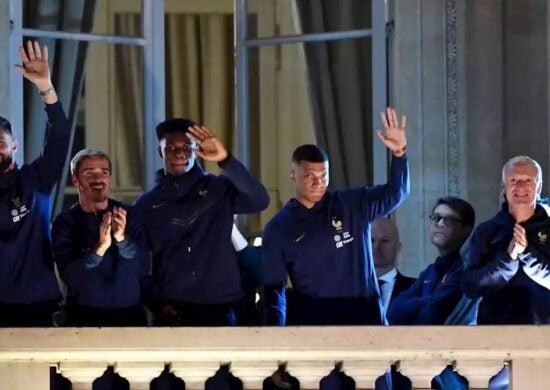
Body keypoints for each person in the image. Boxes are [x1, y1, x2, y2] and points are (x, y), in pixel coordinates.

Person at [263, 108, 409, 326]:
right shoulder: (279, 227)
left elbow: (397, 192)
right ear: (293, 175)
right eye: (309, 176)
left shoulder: (352, 203)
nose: (317, 182)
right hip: (315, 318)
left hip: (364, 314)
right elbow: (274, 289)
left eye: (323, 175)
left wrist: (399, 154)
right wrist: (275, 337)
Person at [134, 119, 269, 326]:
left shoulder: (219, 189)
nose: (180, 153)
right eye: (171, 148)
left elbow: (259, 200)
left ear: (197, 149)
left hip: (223, 305)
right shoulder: (146, 205)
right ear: (160, 151)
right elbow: (137, 265)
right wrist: (157, 302)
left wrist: (225, 159)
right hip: (173, 309)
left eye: (187, 147)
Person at [0, 41, 70, 326]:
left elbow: (60, 138)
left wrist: (46, 88)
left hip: (35, 301)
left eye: (0, 143)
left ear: (14, 145)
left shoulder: (35, 179)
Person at [52, 149, 149, 326]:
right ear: (76, 180)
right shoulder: (65, 222)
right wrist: (100, 248)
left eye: (104, 172)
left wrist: (121, 239)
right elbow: (71, 275)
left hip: (130, 317)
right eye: (89, 173)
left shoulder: (130, 214)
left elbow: (142, 267)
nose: (98, 179)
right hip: (83, 319)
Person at [463, 155, 550, 324]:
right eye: (514, 180)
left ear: (539, 187)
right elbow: (470, 286)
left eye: (528, 180)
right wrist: (508, 260)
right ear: (504, 187)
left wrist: (528, 255)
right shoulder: (486, 231)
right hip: (495, 334)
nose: (520, 186)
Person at [387, 197, 475, 325]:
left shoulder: (465, 269)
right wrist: (429, 299)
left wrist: (418, 302)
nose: (439, 224)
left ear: (466, 230)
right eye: (436, 218)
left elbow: (432, 317)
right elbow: (392, 312)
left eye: (448, 220)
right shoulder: (430, 271)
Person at [371, 217, 416, 313]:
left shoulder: (415, 288)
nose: (376, 246)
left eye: (385, 241)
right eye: (371, 240)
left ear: (398, 247)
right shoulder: (350, 290)